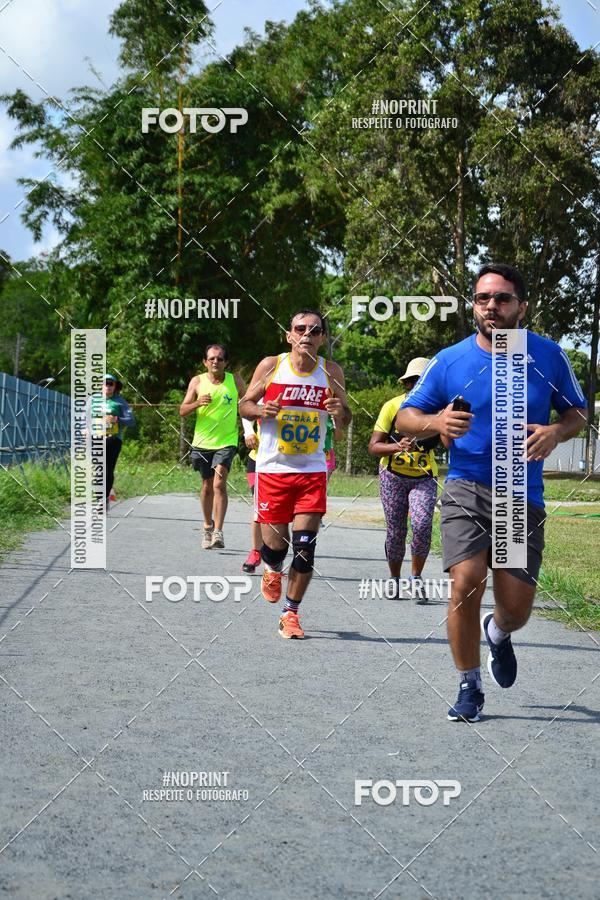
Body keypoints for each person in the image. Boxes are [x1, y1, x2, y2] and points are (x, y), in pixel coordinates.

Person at [395, 263, 587, 722]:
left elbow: (577, 410)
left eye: (501, 299)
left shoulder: (547, 355)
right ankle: (469, 684)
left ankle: (499, 634)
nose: (491, 307)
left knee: (516, 607)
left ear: (521, 306)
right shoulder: (451, 359)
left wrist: (557, 432)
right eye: (483, 299)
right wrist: (436, 423)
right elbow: (405, 418)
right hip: (466, 485)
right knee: (465, 583)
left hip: (519, 492)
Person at [239, 309, 351, 639]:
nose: (307, 334)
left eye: (314, 331)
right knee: (276, 547)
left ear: (322, 338)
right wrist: (260, 410)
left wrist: (339, 411)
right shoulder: (272, 366)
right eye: (300, 329)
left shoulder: (330, 372)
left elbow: (346, 417)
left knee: (305, 546)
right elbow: (244, 405)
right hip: (273, 469)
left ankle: (290, 613)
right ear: (289, 335)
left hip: (311, 470)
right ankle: (272, 569)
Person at [368, 358, 440, 603]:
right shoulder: (392, 406)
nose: (417, 385)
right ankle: (395, 579)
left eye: (424, 381)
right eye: (413, 381)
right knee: (396, 531)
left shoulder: (440, 410)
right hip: (393, 477)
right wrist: (396, 447)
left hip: (424, 477)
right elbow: (374, 446)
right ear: (407, 383)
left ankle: (416, 578)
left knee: (422, 525)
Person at [179, 344, 246, 550]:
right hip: (202, 442)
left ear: (226, 362)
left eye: (219, 358)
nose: (215, 361)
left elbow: (247, 404)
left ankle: (218, 531)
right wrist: (197, 403)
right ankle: (207, 526)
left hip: (227, 441)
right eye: (211, 359)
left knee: (219, 483)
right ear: (205, 362)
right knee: (207, 485)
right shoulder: (197, 381)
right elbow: (182, 410)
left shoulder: (235, 381)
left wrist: (251, 430)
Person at [89, 373, 135, 512]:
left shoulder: (120, 401)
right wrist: (84, 428)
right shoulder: (92, 400)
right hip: (96, 437)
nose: (107, 386)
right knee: (98, 469)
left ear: (115, 386)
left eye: (111, 384)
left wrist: (117, 419)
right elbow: (82, 417)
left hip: (113, 439)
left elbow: (131, 421)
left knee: (108, 470)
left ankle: (103, 500)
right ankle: (100, 499)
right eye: (105, 383)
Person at [241, 417, 262, 573]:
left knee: (284, 515)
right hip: (259, 459)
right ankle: (256, 552)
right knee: (259, 507)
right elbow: (245, 407)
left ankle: (276, 559)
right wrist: (249, 431)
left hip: (291, 463)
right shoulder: (263, 391)